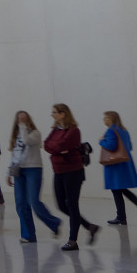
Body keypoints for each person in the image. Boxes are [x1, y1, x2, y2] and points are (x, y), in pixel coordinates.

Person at [44, 103, 100, 251]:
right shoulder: (55, 130)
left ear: (63, 114)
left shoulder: (74, 131)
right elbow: (46, 144)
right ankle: (90, 226)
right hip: (58, 171)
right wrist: (57, 148)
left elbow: (61, 145)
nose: (52, 114)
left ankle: (73, 240)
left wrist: (56, 147)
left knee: (72, 205)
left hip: (73, 171)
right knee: (61, 205)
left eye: (54, 112)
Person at [5, 111, 61, 244]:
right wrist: (9, 173)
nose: (21, 119)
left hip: (33, 169)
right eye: (19, 118)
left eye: (23, 117)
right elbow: (14, 155)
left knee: (33, 202)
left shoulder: (35, 133)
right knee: (21, 204)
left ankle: (54, 223)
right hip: (18, 171)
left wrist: (22, 126)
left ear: (28, 119)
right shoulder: (17, 136)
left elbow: (27, 141)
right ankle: (28, 235)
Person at [100, 110, 137, 225]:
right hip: (124, 163)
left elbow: (111, 146)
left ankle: (135, 213)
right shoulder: (124, 131)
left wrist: (102, 141)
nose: (104, 120)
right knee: (120, 190)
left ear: (111, 119)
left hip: (115, 165)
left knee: (117, 190)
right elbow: (130, 146)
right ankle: (124, 216)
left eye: (106, 118)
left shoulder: (111, 130)